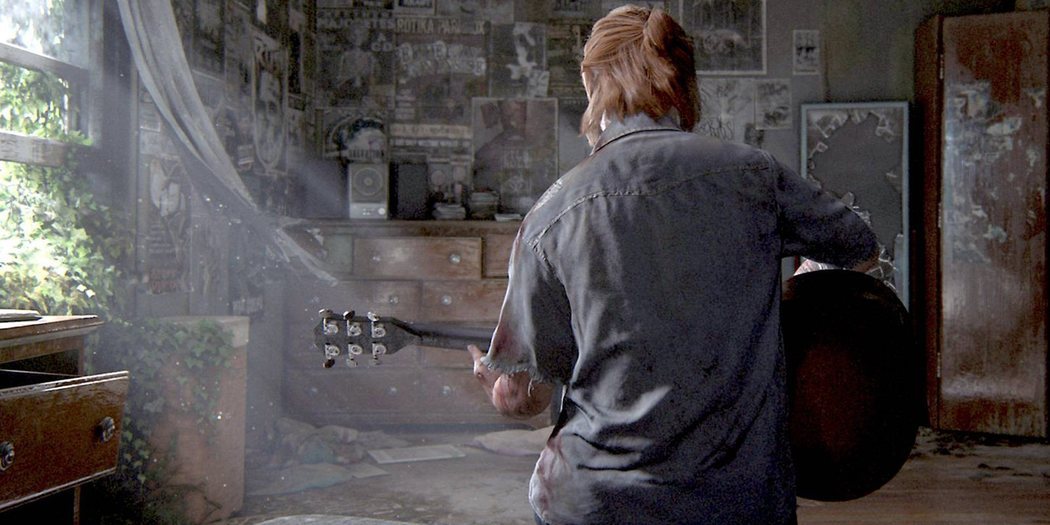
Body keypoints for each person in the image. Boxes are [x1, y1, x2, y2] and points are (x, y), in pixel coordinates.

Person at [468, 5, 878, 525]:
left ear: (591, 83)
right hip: (740, 500)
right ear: (686, 83)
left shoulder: (551, 216)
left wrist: (498, 384)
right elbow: (859, 248)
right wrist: (794, 295)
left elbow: (526, 398)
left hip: (597, 503)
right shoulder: (754, 175)